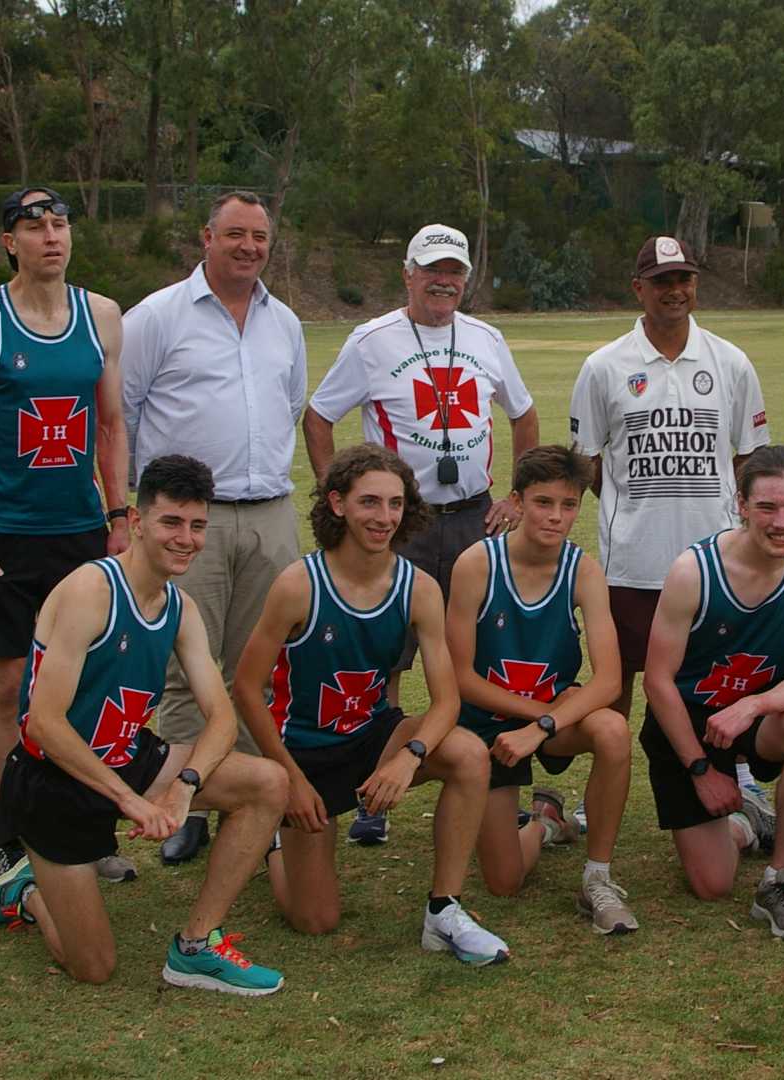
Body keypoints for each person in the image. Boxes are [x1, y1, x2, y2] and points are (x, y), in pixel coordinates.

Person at [0, 454, 289, 993]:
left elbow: (220, 717)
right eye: (171, 522)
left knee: (268, 783)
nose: (186, 539)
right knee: (94, 968)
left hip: (126, 758)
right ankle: (22, 890)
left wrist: (185, 790)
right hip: (54, 781)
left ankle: (196, 945)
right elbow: (44, 725)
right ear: (137, 521)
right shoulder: (89, 591)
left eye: (197, 526)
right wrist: (131, 801)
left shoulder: (180, 607)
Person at [302, 223, 539, 844]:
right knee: (387, 654)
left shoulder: (486, 338)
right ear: (407, 273)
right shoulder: (372, 340)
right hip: (398, 524)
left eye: (455, 271)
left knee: (482, 647)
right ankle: (374, 792)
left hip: (473, 515)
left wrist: (516, 494)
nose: (445, 281)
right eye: (433, 269)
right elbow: (320, 415)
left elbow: (524, 412)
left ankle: (496, 780)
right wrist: (344, 503)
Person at [233, 444, 509, 965]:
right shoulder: (299, 584)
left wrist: (410, 756)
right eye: (369, 503)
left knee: (469, 754)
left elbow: (446, 699)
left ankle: (443, 910)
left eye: (395, 504)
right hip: (305, 754)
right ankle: (273, 842)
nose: (384, 517)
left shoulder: (418, 587)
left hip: (374, 738)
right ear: (337, 504)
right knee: (315, 921)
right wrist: (287, 777)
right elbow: (247, 688)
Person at [0, 187, 132, 883]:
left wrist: (119, 515)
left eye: (60, 224)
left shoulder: (101, 315)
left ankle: (84, 824)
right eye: (34, 226)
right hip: (5, 534)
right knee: (8, 684)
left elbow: (110, 424)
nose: (52, 236)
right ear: (8, 241)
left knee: (82, 684)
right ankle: (7, 835)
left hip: (82, 532)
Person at [121, 190, 307, 866]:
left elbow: (290, 404)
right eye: (235, 234)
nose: (249, 247)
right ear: (206, 237)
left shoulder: (283, 321)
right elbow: (123, 412)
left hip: (269, 515)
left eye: (259, 236)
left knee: (257, 669)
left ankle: (251, 801)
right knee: (185, 671)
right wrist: (130, 513)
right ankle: (186, 803)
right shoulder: (156, 317)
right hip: (186, 522)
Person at [568, 235, 770, 727]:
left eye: (684, 278)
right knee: (617, 683)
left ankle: (732, 776)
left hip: (713, 560)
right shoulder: (603, 366)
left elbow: (751, 456)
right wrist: (634, 502)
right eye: (662, 281)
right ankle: (607, 790)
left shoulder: (731, 362)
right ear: (639, 288)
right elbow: (586, 462)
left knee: (715, 673)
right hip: (633, 561)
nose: (674, 290)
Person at [639, 446, 784, 939]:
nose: (782, 522)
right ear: (742, 505)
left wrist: (752, 705)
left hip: (756, 722)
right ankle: (751, 823)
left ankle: (781, 880)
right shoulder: (694, 571)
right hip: (689, 728)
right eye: (767, 507)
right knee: (713, 884)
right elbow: (657, 680)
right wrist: (700, 769)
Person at [446, 446, 638, 933]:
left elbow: (610, 679)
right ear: (515, 502)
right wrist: (539, 715)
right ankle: (546, 822)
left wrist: (544, 725)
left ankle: (598, 878)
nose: (556, 516)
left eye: (568, 505)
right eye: (543, 502)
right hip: (489, 725)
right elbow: (461, 677)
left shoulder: (584, 570)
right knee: (504, 881)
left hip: (552, 720)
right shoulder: (476, 564)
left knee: (613, 729)